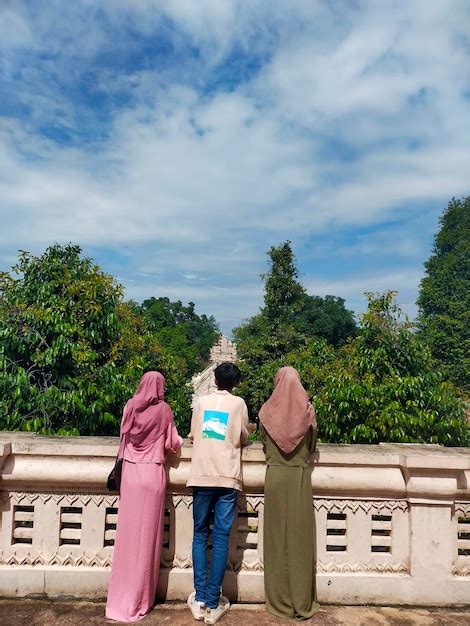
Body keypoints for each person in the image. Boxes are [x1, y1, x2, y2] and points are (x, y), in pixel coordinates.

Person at [106, 371, 183, 623]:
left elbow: (124, 436)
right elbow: (172, 444)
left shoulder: (130, 406)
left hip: (130, 473)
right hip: (152, 474)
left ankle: (119, 599)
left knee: (127, 538)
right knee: (146, 540)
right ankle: (140, 599)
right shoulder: (164, 411)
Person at [186, 362, 250, 625]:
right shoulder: (239, 404)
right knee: (221, 536)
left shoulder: (201, 402)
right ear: (235, 383)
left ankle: (200, 599)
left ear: (214, 378)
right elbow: (243, 436)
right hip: (226, 477)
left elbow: (193, 434)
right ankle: (213, 602)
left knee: (200, 533)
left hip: (201, 474)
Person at [259, 366, 320, 621]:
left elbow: (263, 444)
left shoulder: (265, 412)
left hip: (274, 476)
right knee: (300, 541)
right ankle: (301, 601)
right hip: (299, 478)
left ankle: (279, 602)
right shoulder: (307, 412)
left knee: (275, 541)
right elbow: (313, 444)